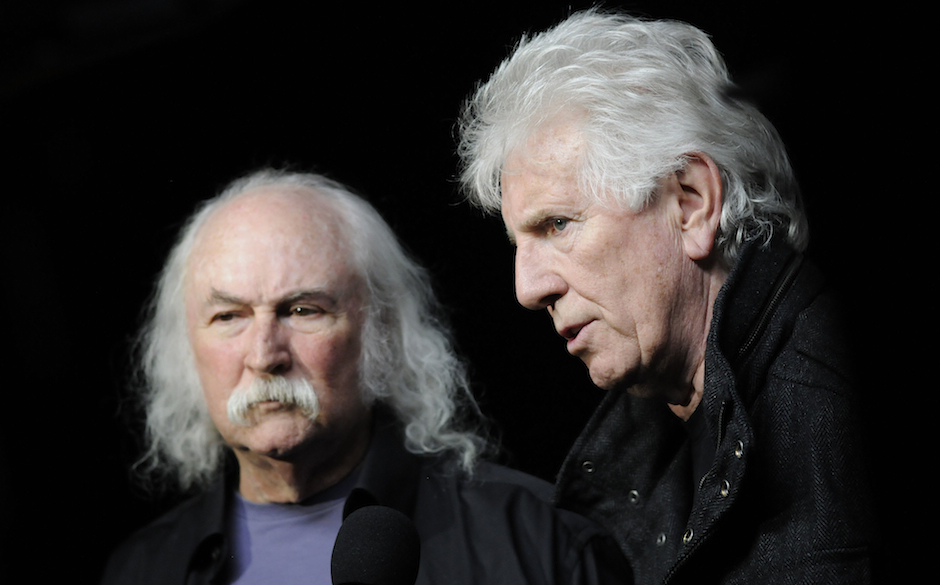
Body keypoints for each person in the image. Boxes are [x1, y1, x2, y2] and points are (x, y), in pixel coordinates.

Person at [457, 9, 874, 585]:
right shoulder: (650, 435)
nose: (527, 289)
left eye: (557, 224)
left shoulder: (835, 415)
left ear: (691, 202)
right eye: (518, 243)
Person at [100, 169, 629, 585]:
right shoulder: (140, 571)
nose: (264, 354)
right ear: (184, 346)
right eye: (228, 317)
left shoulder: (539, 540)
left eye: (303, 310)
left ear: (381, 332)